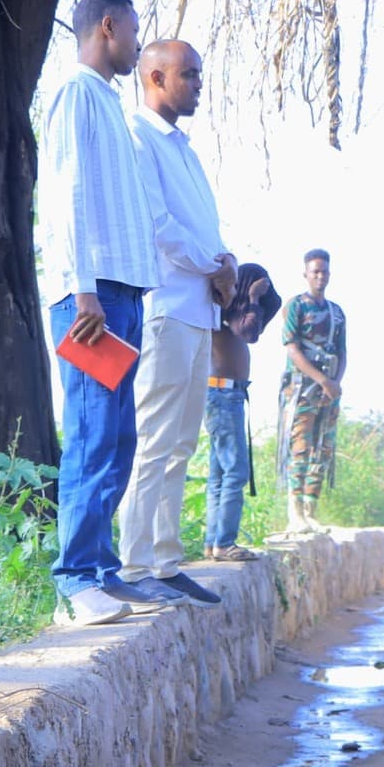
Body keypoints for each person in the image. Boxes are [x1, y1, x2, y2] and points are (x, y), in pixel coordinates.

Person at [38, 0, 165, 628]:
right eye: (134, 33)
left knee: (118, 437)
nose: (138, 45)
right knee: (90, 434)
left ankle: (102, 572)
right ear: (108, 28)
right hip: (91, 299)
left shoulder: (109, 101)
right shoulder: (75, 92)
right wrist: (83, 288)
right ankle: (74, 580)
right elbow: (65, 196)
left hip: (123, 293)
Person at [116, 39, 237, 608]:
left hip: (198, 311)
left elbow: (201, 227)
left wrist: (227, 260)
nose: (197, 85)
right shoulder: (138, 138)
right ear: (156, 78)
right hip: (165, 308)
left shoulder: (182, 147)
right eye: (188, 75)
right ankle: (134, 565)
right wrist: (213, 265)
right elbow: (159, 226)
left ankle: (166, 563)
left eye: (199, 75)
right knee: (154, 440)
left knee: (181, 442)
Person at [203, 264, 282, 562]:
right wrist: (249, 295)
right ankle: (224, 542)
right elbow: (249, 333)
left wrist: (258, 300)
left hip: (225, 393)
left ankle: (214, 542)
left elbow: (257, 325)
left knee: (220, 474)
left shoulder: (229, 315)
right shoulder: (221, 313)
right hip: (222, 394)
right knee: (235, 471)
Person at [277, 251, 347, 533]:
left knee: (323, 448)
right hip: (301, 388)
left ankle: (310, 510)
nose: (320, 276)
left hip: (328, 390)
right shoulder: (296, 306)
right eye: (315, 272)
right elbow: (292, 349)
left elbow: (342, 351)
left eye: (324, 272)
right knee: (301, 447)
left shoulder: (337, 312)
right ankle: (294, 512)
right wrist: (321, 379)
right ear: (305, 274)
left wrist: (335, 384)